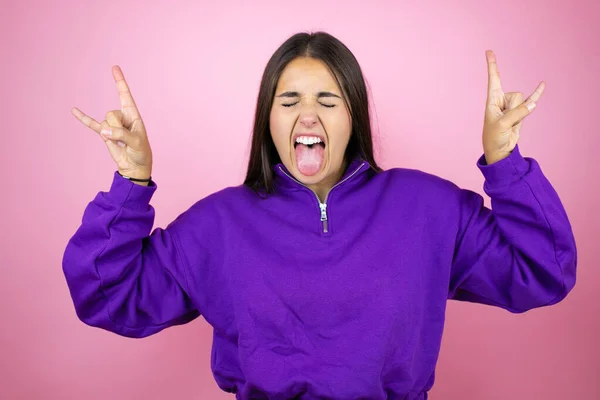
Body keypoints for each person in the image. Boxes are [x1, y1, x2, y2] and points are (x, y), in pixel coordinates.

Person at [62, 31, 577, 400]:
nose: (308, 115)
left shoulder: (429, 208)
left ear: (353, 116)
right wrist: (130, 186)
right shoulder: (218, 224)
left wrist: (506, 164)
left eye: (327, 100)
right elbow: (108, 298)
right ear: (270, 118)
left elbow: (543, 272)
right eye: (289, 100)